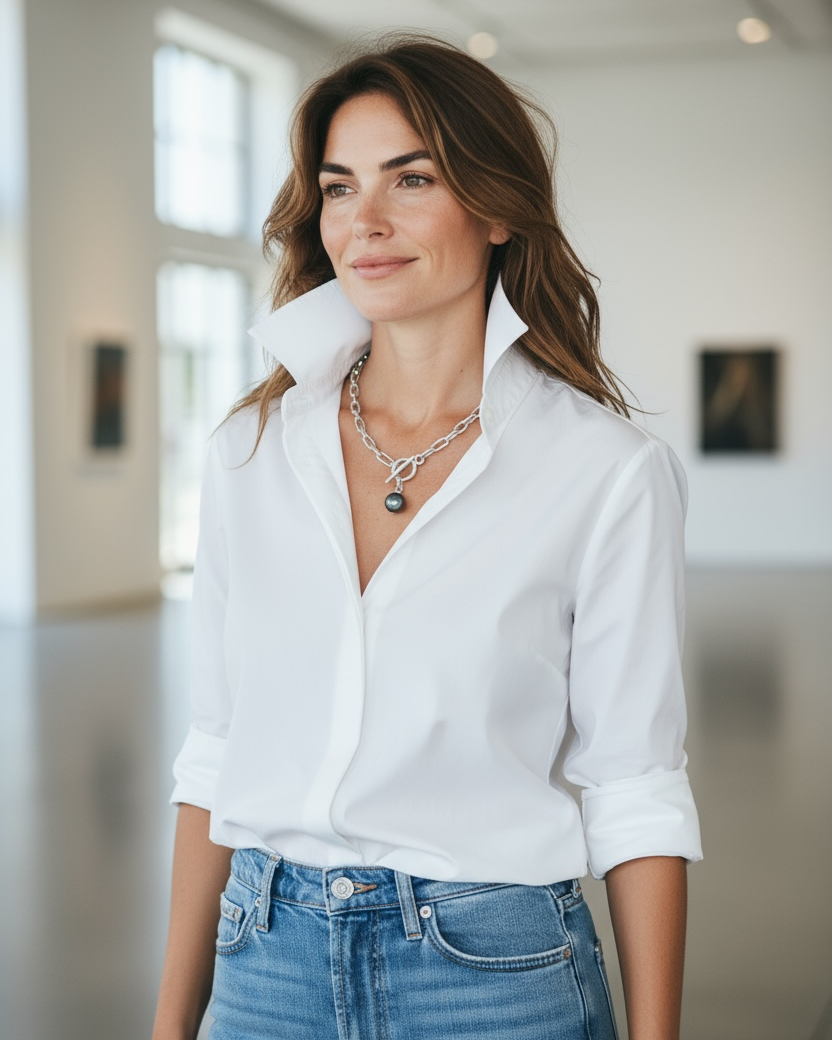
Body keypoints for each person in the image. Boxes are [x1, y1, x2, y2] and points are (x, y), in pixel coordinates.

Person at [152, 34, 702, 1040]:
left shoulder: (605, 471)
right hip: (261, 960)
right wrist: (168, 1023)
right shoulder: (251, 449)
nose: (364, 221)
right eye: (337, 185)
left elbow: (637, 784)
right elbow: (215, 752)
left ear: (493, 206)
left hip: (493, 971)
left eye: (410, 178)